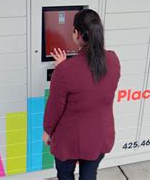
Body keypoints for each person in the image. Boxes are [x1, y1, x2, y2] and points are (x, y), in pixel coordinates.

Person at [43, 9, 121, 180]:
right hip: (99, 136)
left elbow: (55, 107)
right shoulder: (113, 60)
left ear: (77, 34)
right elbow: (93, 85)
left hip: (69, 140)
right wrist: (66, 68)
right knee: (89, 175)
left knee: (65, 175)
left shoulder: (65, 71)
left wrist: (47, 131)